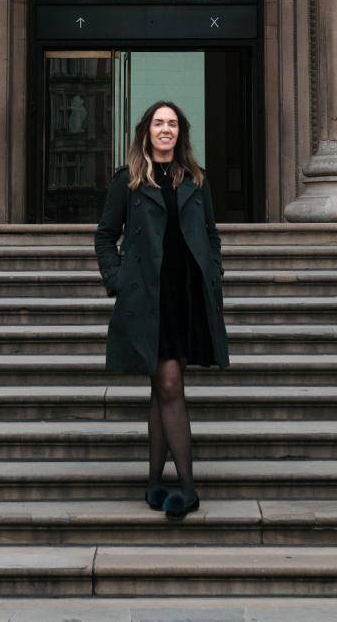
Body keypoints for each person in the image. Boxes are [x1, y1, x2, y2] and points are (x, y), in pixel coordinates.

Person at [94, 99, 229, 521]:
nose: (165, 129)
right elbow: (104, 237)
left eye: (171, 124)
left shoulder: (196, 179)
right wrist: (118, 282)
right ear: (147, 131)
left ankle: (154, 482)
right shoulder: (130, 180)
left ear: (179, 132)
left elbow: (211, 235)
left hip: (187, 294)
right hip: (148, 297)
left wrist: (213, 273)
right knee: (170, 386)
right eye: (158, 123)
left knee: (160, 389)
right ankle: (187, 490)